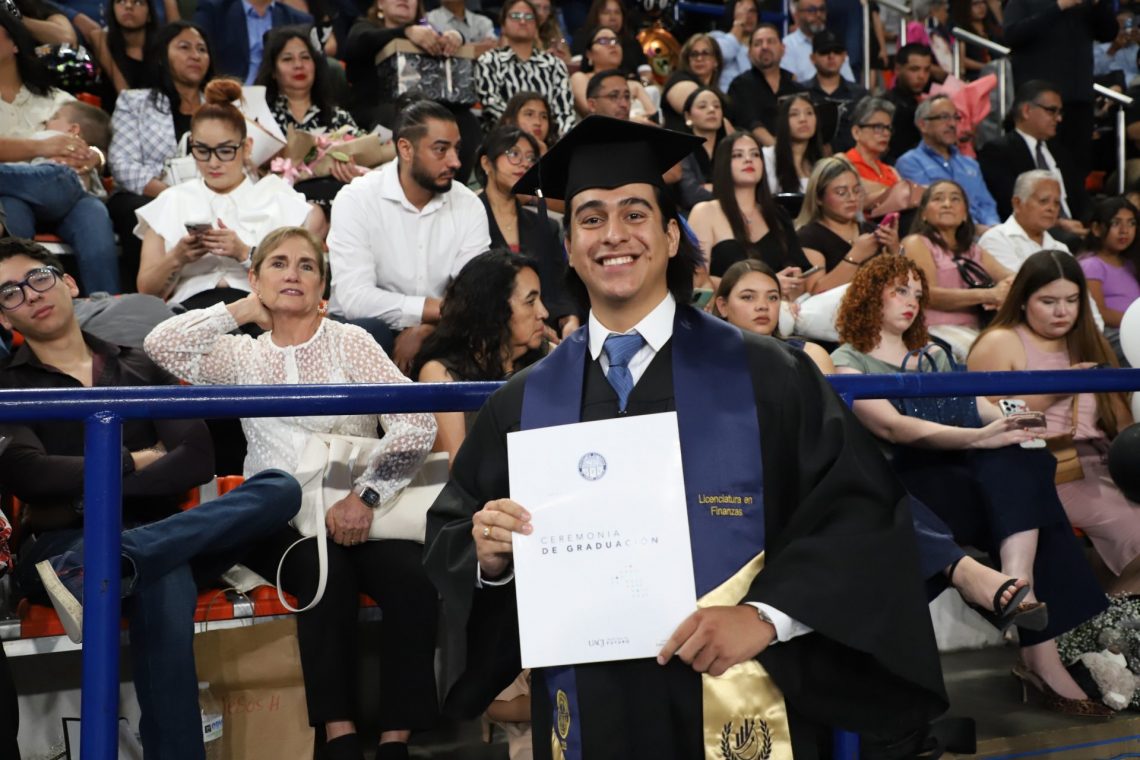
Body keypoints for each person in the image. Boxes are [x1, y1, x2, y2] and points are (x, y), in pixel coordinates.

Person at [423, 115, 948, 760]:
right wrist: (488, 558)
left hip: (740, 691)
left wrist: (765, 617)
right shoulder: (524, 401)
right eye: (590, 218)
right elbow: (454, 529)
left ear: (672, 236)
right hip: (590, 703)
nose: (613, 234)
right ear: (570, 247)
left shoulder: (768, 375)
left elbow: (858, 513)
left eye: (635, 213)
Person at [0, 237, 304, 758]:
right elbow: (31, 474)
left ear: (69, 282)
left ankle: (119, 559)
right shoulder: (7, 384)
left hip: (137, 536)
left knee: (280, 488)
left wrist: (85, 495)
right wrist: (136, 459)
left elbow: (196, 457)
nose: (30, 295)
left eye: (39, 278)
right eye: (10, 293)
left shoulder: (141, 362)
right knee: (165, 574)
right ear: (4, 316)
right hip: (62, 544)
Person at [145, 226, 439, 760]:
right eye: (278, 264)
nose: (293, 274)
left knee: (413, 582)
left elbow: (417, 422)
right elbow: (160, 345)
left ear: (322, 284)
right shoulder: (241, 356)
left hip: (357, 508)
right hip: (276, 518)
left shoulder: (351, 341)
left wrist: (367, 496)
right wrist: (240, 310)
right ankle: (339, 736)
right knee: (324, 574)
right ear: (254, 277)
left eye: (307, 265)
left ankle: (396, 741)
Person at [832, 253, 1110, 716]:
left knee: (1021, 455)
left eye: (917, 293)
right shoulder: (848, 360)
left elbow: (981, 406)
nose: (911, 301)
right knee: (1031, 501)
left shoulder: (937, 352)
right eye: (899, 291)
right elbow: (893, 429)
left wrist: (1011, 423)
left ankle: (1017, 583)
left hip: (959, 471)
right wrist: (980, 437)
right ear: (868, 294)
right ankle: (1041, 657)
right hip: (907, 485)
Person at [969, 249, 1140, 596]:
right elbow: (984, 417)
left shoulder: (1088, 340)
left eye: (1072, 300)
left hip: (1109, 466)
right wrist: (1058, 389)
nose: (1062, 312)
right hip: (1045, 469)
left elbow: (1120, 421)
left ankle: (1108, 611)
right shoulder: (1001, 341)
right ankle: (1111, 617)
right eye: (1048, 302)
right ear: (1022, 300)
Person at [327, 99, 490, 368]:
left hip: (442, 327)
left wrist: (429, 329)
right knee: (372, 332)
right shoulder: (357, 199)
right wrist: (432, 312)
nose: (455, 162)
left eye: (457, 149)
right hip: (364, 329)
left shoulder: (468, 204)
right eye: (441, 150)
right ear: (405, 149)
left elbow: (475, 297)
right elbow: (355, 299)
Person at [134, 79, 322, 309]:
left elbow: (299, 280)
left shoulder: (278, 196)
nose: (213, 162)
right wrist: (177, 257)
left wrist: (244, 253)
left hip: (258, 309)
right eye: (202, 150)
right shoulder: (171, 200)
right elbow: (146, 290)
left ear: (247, 147)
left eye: (225, 151)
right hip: (188, 310)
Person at [0, 10, 119, 297]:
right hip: (14, 195)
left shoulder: (55, 98)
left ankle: (107, 311)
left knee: (93, 212)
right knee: (11, 211)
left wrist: (95, 156)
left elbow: (93, 138)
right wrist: (43, 146)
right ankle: (20, 306)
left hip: (69, 191)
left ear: (14, 43)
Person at [107, 20, 215, 293]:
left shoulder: (220, 108)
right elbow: (122, 164)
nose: (195, 55)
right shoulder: (135, 102)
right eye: (184, 47)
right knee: (142, 212)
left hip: (209, 191)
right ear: (162, 55)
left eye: (202, 49)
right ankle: (147, 296)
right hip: (150, 193)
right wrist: (170, 195)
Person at [413, 249, 549, 461]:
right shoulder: (441, 374)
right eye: (530, 302)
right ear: (493, 309)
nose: (543, 313)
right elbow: (456, 469)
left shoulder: (549, 358)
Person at [255, 26, 381, 210]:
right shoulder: (262, 119)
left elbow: (368, 160)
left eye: (305, 57)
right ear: (273, 71)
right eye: (287, 59)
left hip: (337, 202)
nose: (298, 65)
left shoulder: (338, 117)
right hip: (281, 205)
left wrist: (355, 174)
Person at [475, 125, 576, 333]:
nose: (524, 163)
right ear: (486, 163)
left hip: (543, 329)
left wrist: (568, 319)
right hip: (486, 329)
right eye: (514, 154)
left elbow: (558, 286)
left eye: (531, 158)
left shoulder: (545, 225)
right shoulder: (468, 218)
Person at [1002, 0, 1117, 183]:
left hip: (1080, 99)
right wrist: (1058, 7)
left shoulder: (1085, 6)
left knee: (1078, 168)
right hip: (1040, 102)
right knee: (1040, 167)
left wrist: (1098, 5)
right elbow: (1012, 35)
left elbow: (1109, 32)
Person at [689, 131, 814, 297]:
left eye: (755, 154)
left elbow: (802, 279)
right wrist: (768, 284)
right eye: (737, 155)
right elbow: (697, 280)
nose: (748, 159)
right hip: (724, 309)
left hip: (781, 307)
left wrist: (794, 282)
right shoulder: (705, 212)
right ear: (723, 164)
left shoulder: (778, 214)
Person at [902, 179, 1014, 357]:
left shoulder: (973, 249)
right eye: (938, 199)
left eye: (955, 199)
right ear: (923, 213)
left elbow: (1011, 276)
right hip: (933, 331)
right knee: (992, 353)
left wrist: (1009, 286)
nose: (947, 204)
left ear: (965, 214)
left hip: (975, 330)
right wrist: (989, 295)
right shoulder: (916, 243)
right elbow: (927, 294)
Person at [978, 81, 1090, 229]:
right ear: (1026, 111)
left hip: (1074, 229)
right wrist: (1059, 225)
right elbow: (1010, 204)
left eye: (1059, 112)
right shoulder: (998, 151)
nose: (1059, 118)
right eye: (1052, 111)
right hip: (1031, 232)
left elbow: (1082, 199)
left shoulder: (1060, 152)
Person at [342, 0, 462, 131]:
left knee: (464, 117)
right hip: (375, 112)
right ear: (381, 3)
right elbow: (357, 43)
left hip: (423, 107)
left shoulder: (426, 33)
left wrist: (456, 37)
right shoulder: (364, 27)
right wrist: (406, 32)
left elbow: (444, 41)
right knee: (395, 115)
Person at [796, 156, 900, 294]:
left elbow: (900, 284)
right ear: (818, 198)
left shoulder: (872, 230)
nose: (852, 198)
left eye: (856, 191)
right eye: (841, 192)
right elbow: (816, 293)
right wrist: (855, 256)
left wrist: (895, 249)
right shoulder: (808, 236)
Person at [896, 93, 1002, 228]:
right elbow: (931, 210)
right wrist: (975, 230)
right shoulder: (910, 163)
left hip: (984, 234)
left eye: (955, 117)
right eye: (944, 117)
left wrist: (994, 228)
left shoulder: (970, 164)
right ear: (923, 125)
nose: (952, 124)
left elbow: (987, 205)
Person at [713, 258, 834, 371]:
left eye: (772, 297)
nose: (763, 306)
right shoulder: (706, 359)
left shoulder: (811, 356)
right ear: (723, 306)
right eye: (748, 297)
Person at [476, 0, 575, 135]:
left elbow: (565, 112)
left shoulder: (555, 64)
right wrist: (524, 134)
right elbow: (492, 105)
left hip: (551, 140)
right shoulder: (489, 61)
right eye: (515, 16)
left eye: (529, 17)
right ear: (503, 26)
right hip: (505, 139)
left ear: (536, 26)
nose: (522, 21)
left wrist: (559, 140)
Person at [1079, 197, 1140, 363]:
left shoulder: (1131, 264)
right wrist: (1133, 322)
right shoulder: (1091, 264)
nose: (1124, 230)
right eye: (1115, 223)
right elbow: (1099, 313)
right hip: (1109, 334)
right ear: (1096, 229)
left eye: (1131, 223)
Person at [192, 0, 312, 83]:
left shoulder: (299, 20)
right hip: (228, 97)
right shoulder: (214, 11)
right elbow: (197, 51)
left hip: (279, 100)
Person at [845, 96, 923, 220]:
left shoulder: (891, 171)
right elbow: (856, 195)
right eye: (878, 127)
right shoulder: (843, 162)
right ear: (856, 132)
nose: (886, 133)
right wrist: (895, 192)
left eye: (888, 128)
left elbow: (906, 197)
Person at [727, 24, 804, 147]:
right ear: (749, 53)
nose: (765, 47)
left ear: (783, 49)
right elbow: (751, 124)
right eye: (758, 43)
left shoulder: (796, 87)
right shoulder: (740, 85)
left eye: (771, 42)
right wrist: (780, 151)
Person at [799, 30, 867, 153]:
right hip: (810, 156)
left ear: (844, 56)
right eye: (824, 52)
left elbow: (866, 132)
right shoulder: (800, 93)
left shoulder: (860, 94)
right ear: (812, 58)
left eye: (837, 51)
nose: (831, 56)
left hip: (851, 158)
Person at [83, 0, 159, 107]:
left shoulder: (163, 49)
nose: (128, 6)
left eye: (138, 2)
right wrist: (103, 46)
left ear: (149, 15)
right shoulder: (101, 42)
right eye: (121, 1)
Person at [572, 40, 656, 122]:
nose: (624, 104)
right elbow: (590, 114)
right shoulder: (579, 78)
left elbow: (654, 118)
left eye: (627, 97)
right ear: (589, 54)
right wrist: (634, 121)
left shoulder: (635, 85)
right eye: (613, 96)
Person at [781, 0, 857, 83]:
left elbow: (850, 83)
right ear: (796, 15)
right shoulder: (787, 46)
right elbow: (788, 85)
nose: (818, 14)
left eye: (822, 9)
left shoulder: (835, 42)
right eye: (811, 10)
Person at [661, 33, 724, 133]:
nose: (699, 58)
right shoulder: (679, 80)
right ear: (687, 60)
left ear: (716, 60)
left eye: (705, 53)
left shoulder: (718, 92)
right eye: (694, 54)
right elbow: (703, 115)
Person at [677, 87, 726, 211]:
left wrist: (709, 188)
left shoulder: (731, 147)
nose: (711, 110)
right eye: (702, 106)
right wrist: (727, 191)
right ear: (688, 116)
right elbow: (691, 195)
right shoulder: (681, 148)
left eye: (717, 106)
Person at [765, 93, 824, 195]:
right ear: (783, 121)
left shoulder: (821, 164)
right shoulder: (767, 157)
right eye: (794, 114)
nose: (803, 119)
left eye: (809, 113)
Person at [884, 43, 933, 162]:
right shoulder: (886, 105)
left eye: (926, 70)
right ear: (897, 69)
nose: (922, 76)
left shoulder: (931, 102)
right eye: (914, 69)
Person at [569, 0, 646, 71]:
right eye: (606, 13)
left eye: (617, 12)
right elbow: (577, 68)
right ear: (596, 16)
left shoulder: (632, 42)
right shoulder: (582, 37)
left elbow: (645, 72)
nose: (613, 18)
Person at [951, 0, 1004, 82]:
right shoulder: (962, 32)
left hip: (998, 74)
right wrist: (985, 66)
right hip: (975, 77)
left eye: (983, 2)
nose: (981, 7)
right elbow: (961, 60)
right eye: (975, 4)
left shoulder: (992, 29)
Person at [710, 0, 758, 91]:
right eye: (742, 11)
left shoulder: (763, 45)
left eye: (752, 11)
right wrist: (739, 23)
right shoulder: (716, 37)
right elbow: (723, 54)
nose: (748, 16)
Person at [426, 0, 497, 57]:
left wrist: (453, 49)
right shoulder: (427, 19)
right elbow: (436, 51)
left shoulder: (483, 22)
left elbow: (491, 48)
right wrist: (477, 48)